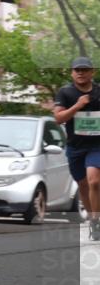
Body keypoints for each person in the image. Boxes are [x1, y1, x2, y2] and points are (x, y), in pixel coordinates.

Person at [53, 56, 100, 240]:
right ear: (72, 73)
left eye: (84, 70)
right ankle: (92, 217)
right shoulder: (65, 93)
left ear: (92, 72)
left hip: (97, 145)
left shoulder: (98, 92)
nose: (80, 73)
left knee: (94, 181)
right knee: (82, 184)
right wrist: (78, 105)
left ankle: (96, 222)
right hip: (75, 147)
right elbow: (58, 118)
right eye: (77, 70)